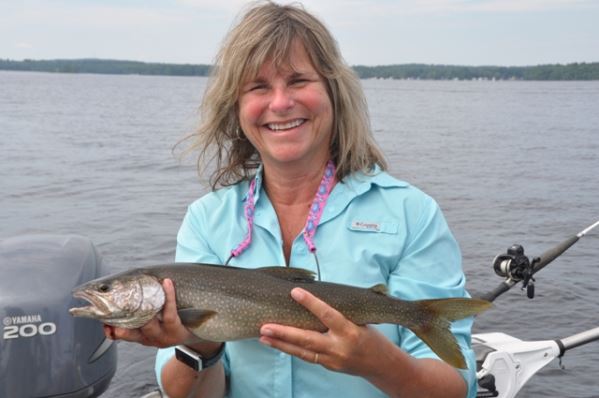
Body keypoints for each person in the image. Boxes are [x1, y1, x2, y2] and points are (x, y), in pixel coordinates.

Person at [106, 2, 478, 397]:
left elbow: (455, 389)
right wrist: (199, 345)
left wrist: (378, 362)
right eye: (258, 87)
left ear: (334, 92)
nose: (280, 103)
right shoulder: (206, 220)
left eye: (298, 81)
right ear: (236, 107)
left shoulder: (411, 214)